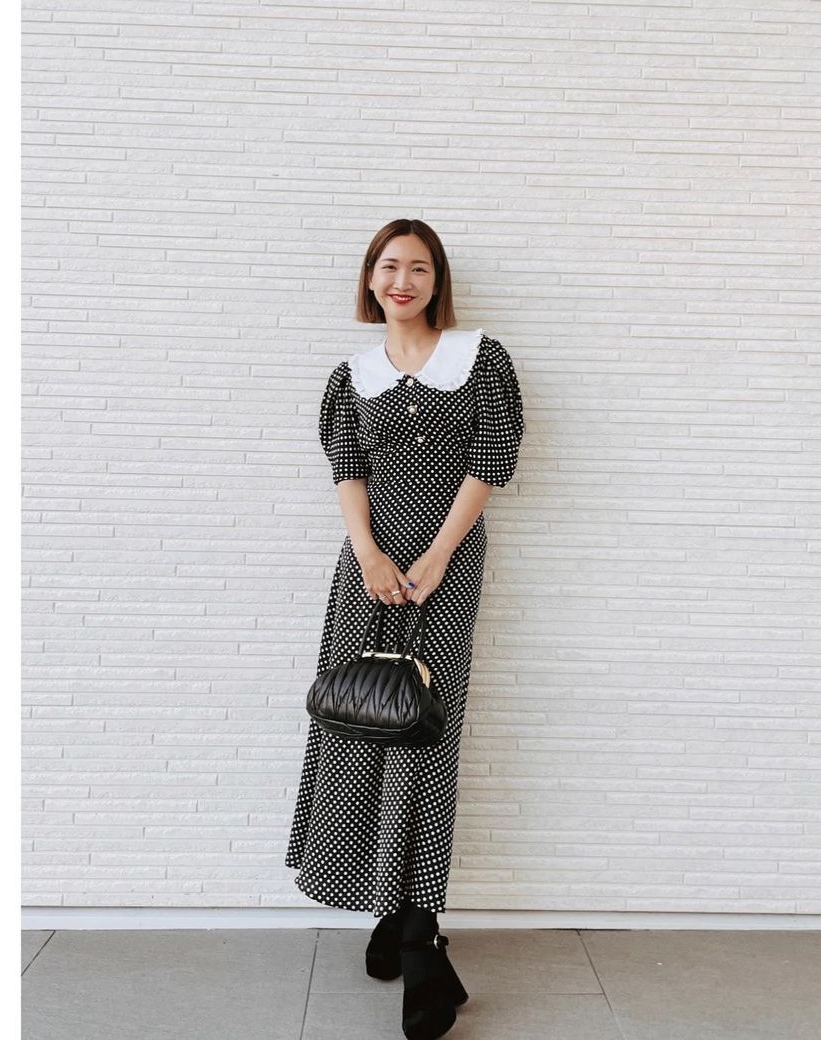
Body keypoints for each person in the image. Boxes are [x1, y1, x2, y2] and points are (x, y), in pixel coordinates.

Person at [284, 218, 524, 1040]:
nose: (403, 280)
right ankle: (391, 912)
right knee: (362, 721)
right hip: (369, 567)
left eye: (419, 268)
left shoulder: (480, 359)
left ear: (437, 282)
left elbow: (491, 458)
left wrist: (436, 554)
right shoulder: (350, 374)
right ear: (370, 278)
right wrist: (370, 554)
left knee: (423, 729)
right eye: (389, 266)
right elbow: (348, 467)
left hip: (444, 565)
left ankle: (418, 933)